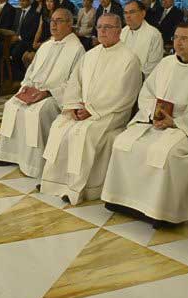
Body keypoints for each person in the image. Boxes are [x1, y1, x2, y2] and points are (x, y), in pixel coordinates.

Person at [40, 13, 142, 204]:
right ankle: (56, 182)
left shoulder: (129, 59)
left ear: (119, 31)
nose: (102, 31)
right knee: (60, 126)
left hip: (110, 113)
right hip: (83, 109)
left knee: (84, 134)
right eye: (100, 27)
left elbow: (124, 95)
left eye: (108, 27)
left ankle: (79, 188)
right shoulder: (91, 54)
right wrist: (74, 105)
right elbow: (74, 83)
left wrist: (92, 110)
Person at [102, 23, 188, 227]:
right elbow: (147, 92)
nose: (178, 42)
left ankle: (161, 212)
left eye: (184, 38)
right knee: (123, 143)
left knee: (167, 154)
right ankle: (121, 201)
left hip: (181, 128)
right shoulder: (166, 63)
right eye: (176, 37)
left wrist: (175, 122)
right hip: (154, 120)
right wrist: (154, 113)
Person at [0, 8, 85, 178]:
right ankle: (11, 155)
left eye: (59, 21)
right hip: (34, 90)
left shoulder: (77, 49)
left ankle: (34, 164)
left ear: (69, 25)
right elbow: (31, 71)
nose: (53, 24)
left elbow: (74, 82)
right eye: (52, 20)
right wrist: (26, 86)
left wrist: (48, 92)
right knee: (11, 105)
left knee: (38, 112)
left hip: (55, 96)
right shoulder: (46, 45)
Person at [120, 0, 164, 77]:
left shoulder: (154, 34)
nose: (128, 16)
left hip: (142, 80)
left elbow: (154, 64)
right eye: (125, 13)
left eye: (132, 12)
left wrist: (135, 78)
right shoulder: (122, 32)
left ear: (143, 13)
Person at [10, 0, 42, 78]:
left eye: (23, 1)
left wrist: (19, 38)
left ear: (30, 1)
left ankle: (21, 76)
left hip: (27, 40)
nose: (21, 3)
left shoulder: (35, 13)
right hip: (15, 38)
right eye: (20, 0)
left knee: (15, 53)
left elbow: (33, 31)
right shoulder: (18, 11)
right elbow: (14, 27)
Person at [28, 0, 60, 64]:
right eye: (47, 1)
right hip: (42, 38)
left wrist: (43, 44)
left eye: (51, 1)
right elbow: (40, 28)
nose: (48, 3)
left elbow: (56, 33)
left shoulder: (58, 14)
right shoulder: (44, 12)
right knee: (25, 56)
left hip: (52, 40)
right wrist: (35, 42)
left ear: (55, 2)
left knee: (31, 57)